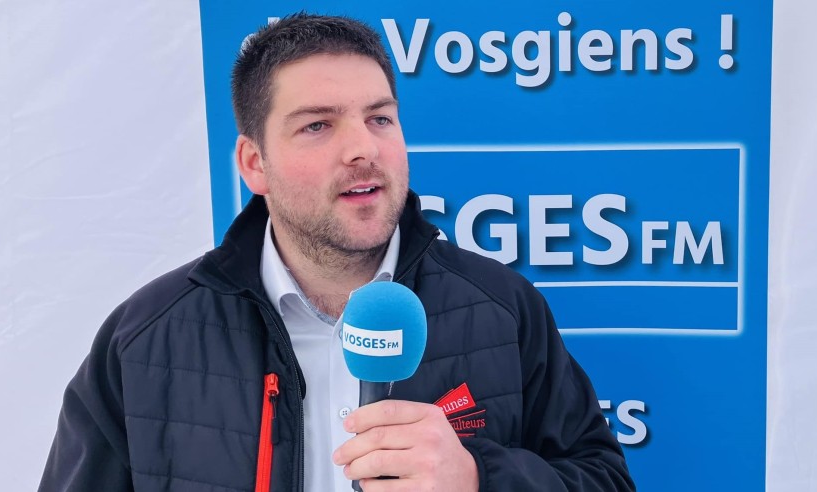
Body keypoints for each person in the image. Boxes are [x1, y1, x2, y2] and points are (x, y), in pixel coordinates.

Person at [40, 13, 634, 492]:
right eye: (318, 126)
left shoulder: (503, 308)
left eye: (380, 118)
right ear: (254, 163)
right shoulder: (146, 337)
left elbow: (604, 478)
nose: (362, 148)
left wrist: (480, 478)